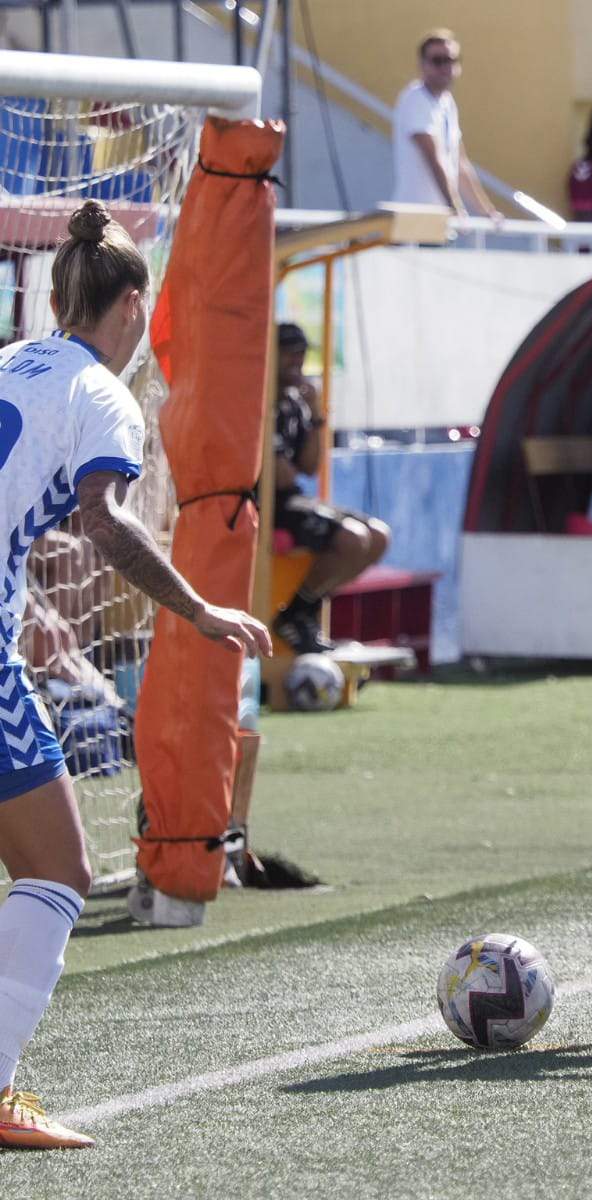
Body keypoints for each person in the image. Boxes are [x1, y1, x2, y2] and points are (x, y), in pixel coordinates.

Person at [0, 200, 271, 1149]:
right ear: (130, 306)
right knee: (59, 870)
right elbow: (104, 524)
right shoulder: (102, 394)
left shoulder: (9, 363)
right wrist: (200, 611)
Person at [270, 324, 391, 654]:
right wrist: (285, 466)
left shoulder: (296, 404)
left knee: (378, 536)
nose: (297, 359)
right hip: (265, 505)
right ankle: (293, 615)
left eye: (301, 352)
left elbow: (309, 467)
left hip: (293, 498)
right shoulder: (261, 404)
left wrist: (318, 416)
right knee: (352, 540)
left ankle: (304, 612)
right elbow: (278, 477)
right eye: (289, 352)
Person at [391, 29, 501, 218]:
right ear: (422, 65)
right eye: (437, 61)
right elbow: (433, 158)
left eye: (450, 60)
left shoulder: (447, 103)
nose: (445, 67)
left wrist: (487, 211)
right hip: (415, 218)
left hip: (439, 220)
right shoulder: (415, 99)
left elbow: (460, 163)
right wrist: (455, 207)